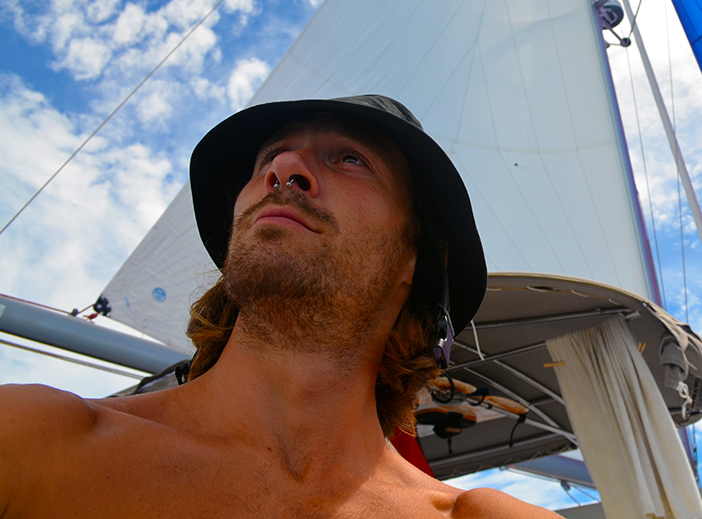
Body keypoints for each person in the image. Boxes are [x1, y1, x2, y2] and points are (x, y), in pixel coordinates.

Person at [0, 95, 560, 518]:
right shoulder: (32, 440)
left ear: (413, 260)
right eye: (269, 157)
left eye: (350, 159)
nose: (283, 168)